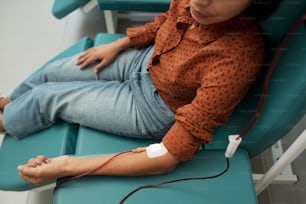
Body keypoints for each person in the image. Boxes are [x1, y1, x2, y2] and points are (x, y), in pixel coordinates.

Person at [0, 0, 280, 185]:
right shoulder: (193, 3)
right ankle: (12, 104)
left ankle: (7, 120)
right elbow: (163, 23)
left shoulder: (236, 57)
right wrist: (120, 44)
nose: (199, 0)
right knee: (54, 71)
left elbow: (168, 156)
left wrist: (67, 166)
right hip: (146, 60)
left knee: (48, 96)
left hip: (153, 107)